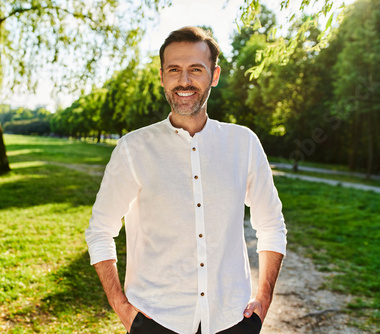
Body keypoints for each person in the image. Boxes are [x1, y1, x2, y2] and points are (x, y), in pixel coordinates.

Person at [85, 26, 287, 334]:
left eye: (196, 69)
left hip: (233, 320)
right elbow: (100, 231)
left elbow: (271, 224)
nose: (184, 81)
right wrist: (123, 309)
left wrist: (264, 297)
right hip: (154, 322)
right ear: (162, 76)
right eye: (174, 70)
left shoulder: (243, 143)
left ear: (214, 75)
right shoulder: (133, 148)